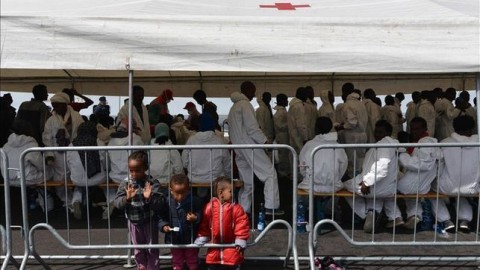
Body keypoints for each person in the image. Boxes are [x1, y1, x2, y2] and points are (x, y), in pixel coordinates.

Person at [227, 81, 283, 215]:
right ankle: (271, 207)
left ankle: (243, 211)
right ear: (247, 90)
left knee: (247, 182)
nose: (254, 94)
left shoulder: (233, 107)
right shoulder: (245, 105)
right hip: (249, 145)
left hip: (238, 148)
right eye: (253, 91)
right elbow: (252, 129)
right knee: (270, 173)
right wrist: (265, 142)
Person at [343, 120, 403, 233]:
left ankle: (365, 214)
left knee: (344, 187)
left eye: (380, 132)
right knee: (378, 198)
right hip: (387, 189)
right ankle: (378, 212)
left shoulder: (384, 145)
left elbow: (382, 166)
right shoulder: (392, 146)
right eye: (376, 132)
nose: (377, 135)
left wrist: (367, 182)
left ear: (388, 133)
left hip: (373, 187)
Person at [114, 151, 164, 270]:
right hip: (133, 223)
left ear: (145, 168)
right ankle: (141, 266)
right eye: (131, 170)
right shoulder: (126, 183)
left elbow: (161, 202)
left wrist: (150, 198)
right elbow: (117, 203)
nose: (134, 173)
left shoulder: (152, 183)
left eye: (137, 170)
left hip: (149, 221)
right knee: (138, 248)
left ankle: (153, 267)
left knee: (152, 248)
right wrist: (127, 198)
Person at [432, 115, 480, 233]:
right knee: (462, 194)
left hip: (448, 187)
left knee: (430, 193)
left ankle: (446, 220)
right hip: (472, 188)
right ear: (472, 128)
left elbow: (437, 162)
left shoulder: (445, 143)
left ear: (453, 128)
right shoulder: (478, 143)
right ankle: (465, 221)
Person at [194, 177, 250, 270]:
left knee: (232, 264)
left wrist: (240, 239)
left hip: (232, 246)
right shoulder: (209, 207)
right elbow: (205, 223)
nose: (233, 194)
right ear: (221, 193)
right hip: (214, 247)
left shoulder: (236, 208)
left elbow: (242, 224)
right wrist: (203, 235)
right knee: (213, 265)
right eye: (230, 191)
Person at [397, 117, 440, 229]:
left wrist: (402, 155)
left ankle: (394, 216)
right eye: (412, 129)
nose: (414, 131)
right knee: (410, 194)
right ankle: (414, 215)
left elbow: (422, 164)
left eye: (417, 129)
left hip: (412, 185)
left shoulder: (426, 143)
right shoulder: (424, 143)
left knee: (388, 183)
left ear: (425, 128)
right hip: (424, 185)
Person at [43, 92, 84, 205]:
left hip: (75, 151)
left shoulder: (76, 116)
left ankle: (77, 199)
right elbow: (47, 138)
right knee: (60, 179)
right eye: (53, 105)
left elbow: (82, 132)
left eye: (57, 105)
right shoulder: (51, 120)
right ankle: (67, 201)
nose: (54, 108)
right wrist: (49, 154)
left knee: (77, 175)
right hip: (58, 154)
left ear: (64, 104)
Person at [158, 174, 203, 270]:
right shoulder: (167, 202)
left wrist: (195, 217)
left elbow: (201, 213)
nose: (180, 196)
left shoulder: (194, 201)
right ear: (171, 190)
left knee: (192, 257)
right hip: (174, 237)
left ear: (188, 190)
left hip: (191, 236)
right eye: (177, 193)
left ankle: (193, 267)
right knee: (177, 258)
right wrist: (164, 226)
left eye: (183, 192)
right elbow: (161, 216)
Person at [182, 114, 231, 199]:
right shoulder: (219, 141)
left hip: (194, 178)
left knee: (200, 197)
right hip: (216, 179)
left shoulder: (191, 140)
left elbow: (184, 162)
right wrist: (229, 177)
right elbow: (227, 163)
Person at [66, 121, 107, 220]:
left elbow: (68, 165)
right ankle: (111, 201)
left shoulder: (71, 146)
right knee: (108, 186)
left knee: (78, 188)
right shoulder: (100, 144)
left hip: (77, 179)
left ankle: (76, 201)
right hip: (98, 179)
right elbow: (106, 164)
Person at [297, 117, 347, 193]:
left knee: (301, 199)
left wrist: (307, 177)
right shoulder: (337, 146)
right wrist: (335, 178)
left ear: (316, 128)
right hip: (332, 186)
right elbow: (343, 166)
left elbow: (302, 166)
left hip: (310, 186)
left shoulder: (309, 145)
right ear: (330, 128)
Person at [336, 88, 368, 178]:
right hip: (362, 135)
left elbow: (352, 123)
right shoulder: (361, 104)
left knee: (351, 161)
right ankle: (360, 179)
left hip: (352, 136)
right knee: (361, 160)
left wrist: (341, 126)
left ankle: (352, 182)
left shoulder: (348, 105)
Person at [273, 93, 291, 178]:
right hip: (282, 136)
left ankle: (285, 172)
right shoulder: (280, 113)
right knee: (283, 156)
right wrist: (290, 124)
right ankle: (282, 174)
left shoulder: (283, 111)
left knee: (285, 155)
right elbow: (279, 126)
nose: (287, 101)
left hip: (285, 135)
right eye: (286, 100)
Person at [288, 87, 309, 154]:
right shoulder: (299, 106)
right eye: (306, 95)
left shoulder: (293, 105)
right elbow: (301, 124)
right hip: (299, 136)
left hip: (293, 134)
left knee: (294, 156)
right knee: (301, 156)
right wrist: (305, 138)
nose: (307, 97)